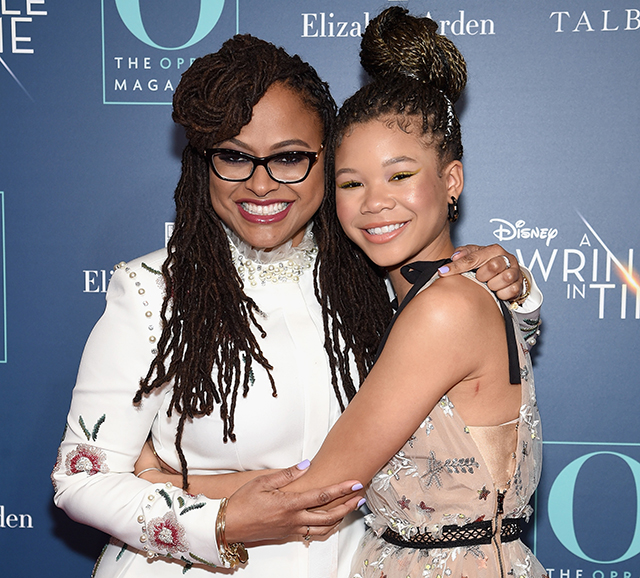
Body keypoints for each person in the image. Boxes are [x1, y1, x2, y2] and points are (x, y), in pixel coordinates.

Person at [52, 33, 541, 578]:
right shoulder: (151, 289)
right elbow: (80, 479)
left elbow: (476, 370)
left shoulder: (369, 277)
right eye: (234, 157)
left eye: (289, 157)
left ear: (324, 161)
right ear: (204, 163)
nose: (261, 184)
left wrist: (514, 285)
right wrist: (215, 523)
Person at [258, 7, 546, 577]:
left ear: (451, 180)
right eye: (350, 182)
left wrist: (172, 478)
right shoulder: (447, 295)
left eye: (399, 175)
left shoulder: (444, 309)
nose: (373, 202)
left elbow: (324, 489)